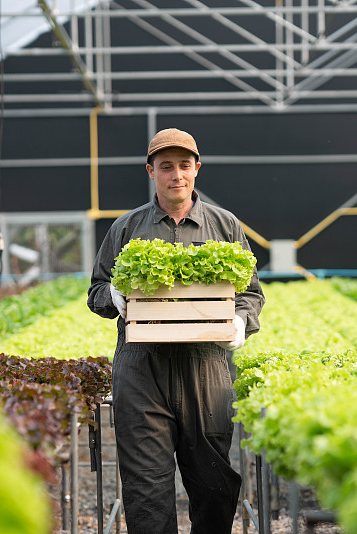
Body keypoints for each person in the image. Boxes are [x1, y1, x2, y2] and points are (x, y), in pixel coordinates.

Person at [87, 128, 265, 533]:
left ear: (197, 169)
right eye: (166, 167)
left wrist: (240, 321)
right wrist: (112, 294)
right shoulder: (127, 228)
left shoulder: (225, 226)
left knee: (214, 487)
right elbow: (95, 290)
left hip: (206, 368)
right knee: (146, 491)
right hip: (141, 369)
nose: (176, 175)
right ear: (151, 171)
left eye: (185, 165)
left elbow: (251, 294)